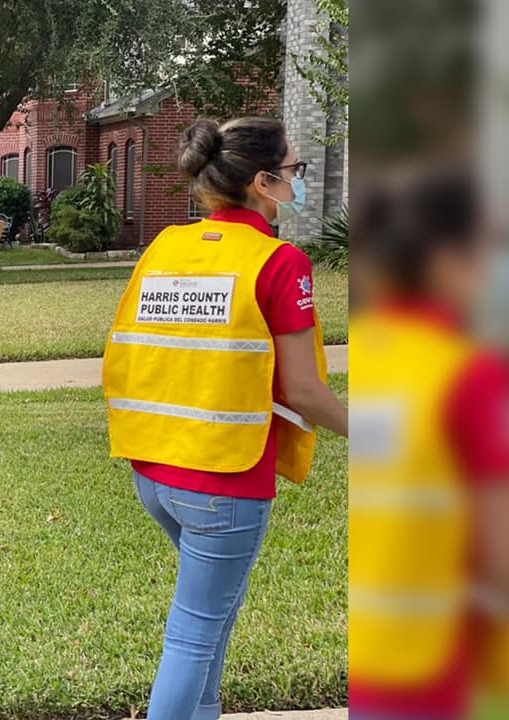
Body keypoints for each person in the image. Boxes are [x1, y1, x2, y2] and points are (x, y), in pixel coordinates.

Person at [101, 117, 349, 719]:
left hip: (154, 472)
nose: (297, 181)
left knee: (212, 620)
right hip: (225, 482)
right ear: (262, 182)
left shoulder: (166, 246)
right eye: (293, 171)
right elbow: (303, 391)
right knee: (193, 637)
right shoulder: (279, 262)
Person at [349, 169, 509, 719]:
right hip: (438, 666)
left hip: (368, 654)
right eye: (486, 249)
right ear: (445, 261)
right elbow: (498, 547)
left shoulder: (364, 353)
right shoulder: (469, 375)